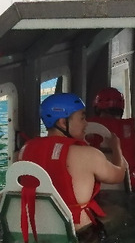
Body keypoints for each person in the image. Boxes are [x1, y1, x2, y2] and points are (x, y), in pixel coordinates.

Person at [18, 93, 128, 234]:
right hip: (80, 233)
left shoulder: (25, 150)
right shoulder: (88, 155)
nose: (86, 123)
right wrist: (116, 148)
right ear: (63, 122)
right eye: (82, 118)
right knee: (120, 212)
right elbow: (119, 175)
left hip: (34, 228)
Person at [88, 87, 135, 189]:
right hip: (126, 189)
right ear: (121, 109)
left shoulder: (84, 132)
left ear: (96, 108)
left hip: (90, 188)